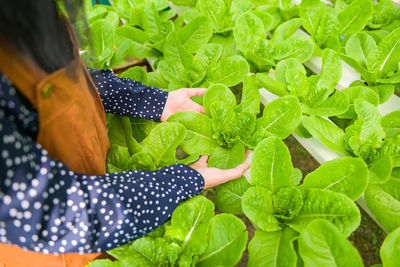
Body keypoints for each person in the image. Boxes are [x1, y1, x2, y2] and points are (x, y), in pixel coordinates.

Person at [0, 1, 249, 266]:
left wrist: (152, 101)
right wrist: (182, 180)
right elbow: (55, 212)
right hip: (51, 247)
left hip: (101, 193)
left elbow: (71, 78)